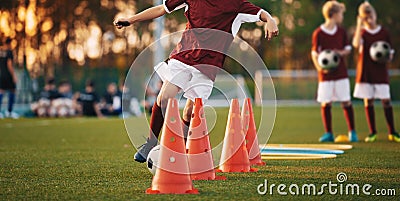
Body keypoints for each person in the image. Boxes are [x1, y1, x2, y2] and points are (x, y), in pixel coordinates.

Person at [114, 0, 279, 162]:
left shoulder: (236, 4)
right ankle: (150, 142)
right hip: (183, 57)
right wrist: (131, 19)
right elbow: (161, 9)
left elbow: (261, 13)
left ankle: (179, 150)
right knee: (164, 97)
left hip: (208, 66)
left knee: (189, 111)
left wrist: (270, 20)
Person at [311, 1, 358, 142]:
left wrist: (340, 53)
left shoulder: (341, 31)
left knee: (346, 102)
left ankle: (352, 132)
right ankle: (329, 133)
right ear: (334, 14)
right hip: (325, 75)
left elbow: (348, 49)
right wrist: (320, 67)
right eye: (341, 14)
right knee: (326, 103)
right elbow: (314, 53)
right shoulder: (318, 33)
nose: (342, 17)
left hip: (340, 73)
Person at [352, 2, 399, 142]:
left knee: (386, 100)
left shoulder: (384, 32)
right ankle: (372, 132)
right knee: (369, 101)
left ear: (375, 14)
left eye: (370, 15)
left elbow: (390, 53)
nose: (369, 19)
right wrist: (359, 25)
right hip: (366, 72)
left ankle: (393, 131)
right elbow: (355, 44)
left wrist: (388, 56)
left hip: (380, 71)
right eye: (365, 17)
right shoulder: (362, 33)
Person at [0, 37, 18, 119]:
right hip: (8, 75)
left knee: (1, 92)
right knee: (12, 91)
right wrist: (14, 75)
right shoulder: (9, 52)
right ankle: (9, 111)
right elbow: (9, 64)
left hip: (1, 75)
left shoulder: (1, 52)